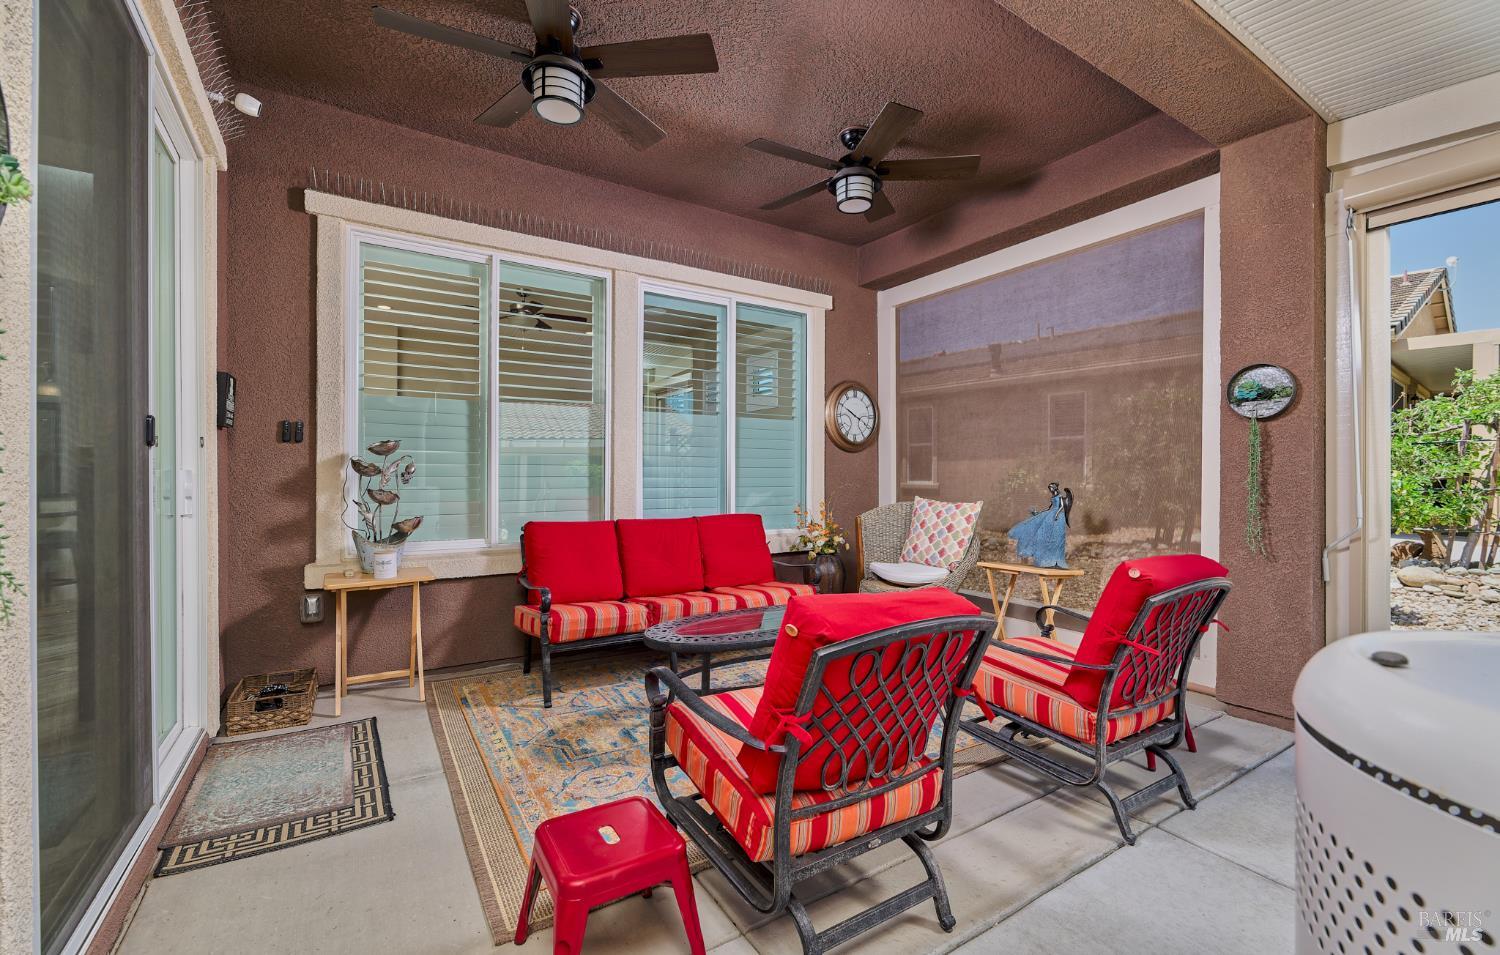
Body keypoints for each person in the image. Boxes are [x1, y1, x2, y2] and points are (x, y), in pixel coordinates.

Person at [1008, 482, 1073, 569]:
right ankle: (1046, 558)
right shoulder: (1053, 497)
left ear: (1054, 488)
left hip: (1057, 516)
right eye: (1049, 489)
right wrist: (1041, 513)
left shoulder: (1060, 497)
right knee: (1041, 530)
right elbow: (1049, 507)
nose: (1050, 490)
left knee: (1055, 537)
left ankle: (1056, 560)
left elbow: (1061, 507)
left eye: (1051, 488)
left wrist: (1056, 515)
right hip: (1050, 514)